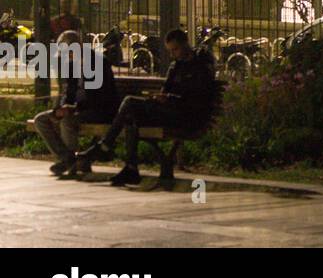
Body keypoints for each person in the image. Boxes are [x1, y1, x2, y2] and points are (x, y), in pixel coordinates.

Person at [75, 28, 217, 186]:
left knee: (130, 102)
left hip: (188, 116)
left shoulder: (201, 64)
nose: (172, 54)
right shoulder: (175, 65)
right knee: (131, 116)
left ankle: (107, 145)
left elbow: (198, 98)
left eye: (175, 49)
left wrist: (169, 98)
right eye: (170, 50)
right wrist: (160, 98)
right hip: (171, 111)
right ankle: (131, 169)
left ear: (186, 44)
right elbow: (166, 91)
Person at [32, 30, 117, 176]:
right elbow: (68, 93)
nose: (65, 57)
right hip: (77, 110)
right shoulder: (71, 65)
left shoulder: (98, 62)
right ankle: (68, 159)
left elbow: (99, 98)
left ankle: (70, 163)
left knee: (67, 121)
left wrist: (74, 108)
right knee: (41, 120)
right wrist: (61, 108)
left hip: (99, 111)